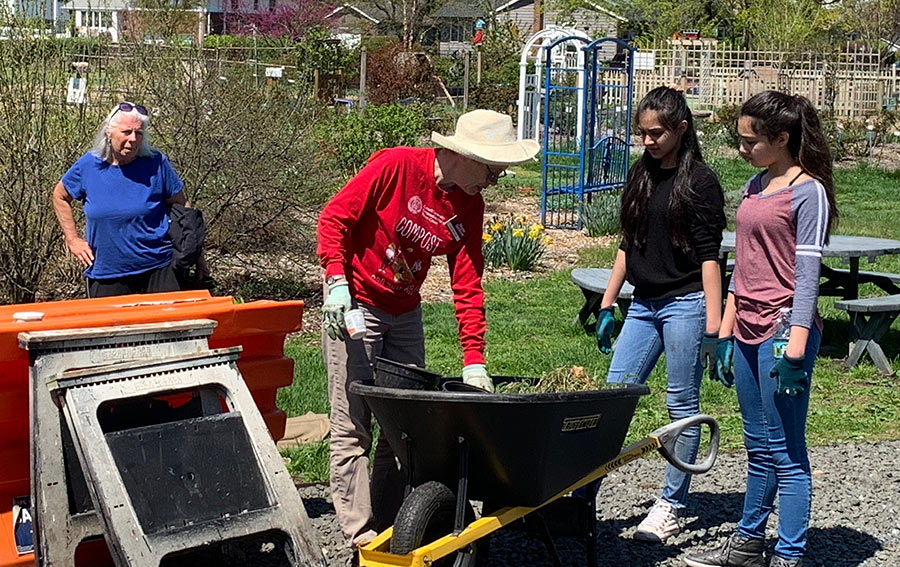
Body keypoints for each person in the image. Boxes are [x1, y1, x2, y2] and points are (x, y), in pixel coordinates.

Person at [316, 109, 539, 554]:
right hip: (357, 302)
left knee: (403, 426)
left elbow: (468, 280)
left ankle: (387, 523)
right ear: (463, 155)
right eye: (492, 169)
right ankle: (361, 539)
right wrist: (336, 281)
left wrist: (475, 359)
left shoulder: (467, 203)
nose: (494, 181)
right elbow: (333, 220)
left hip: (404, 311)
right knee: (353, 423)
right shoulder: (395, 167)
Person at [684, 91, 838, 567]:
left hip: (780, 331)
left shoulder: (807, 192)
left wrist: (794, 348)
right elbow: (744, 267)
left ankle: (788, 554)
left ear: (782, 138)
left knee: (786, 450)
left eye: (751, 140)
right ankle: (749, 544)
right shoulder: (755, 186)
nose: (742, 148)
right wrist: (724, 332)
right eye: (740, 139)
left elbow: (808, 275)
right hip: (746, 327)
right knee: (756, 445)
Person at [594, 86, 726, 542]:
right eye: (642, 133)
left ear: (681, 130)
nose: (648, 141)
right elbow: (627, 245)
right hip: (644, 304)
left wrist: (715, 328)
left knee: (681, 405)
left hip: (686, 301)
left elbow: (711, 259)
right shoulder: (641, 173)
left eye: (657, 133)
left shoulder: (701, 183)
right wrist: (608, 304)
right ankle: (578, 494)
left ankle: (670, 503)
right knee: (611, 396)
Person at [51, 101, 187, 298]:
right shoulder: (88, 166)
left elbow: (182, 207)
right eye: (126, 132)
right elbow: (60, 196)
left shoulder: (156, 163)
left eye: (139, 133)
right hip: (107, 272)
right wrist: (72, 239)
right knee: (111, 329)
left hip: (159, 268)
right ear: (109, 132)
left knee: (166, 327)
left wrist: (195, 254)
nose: (133, 139)